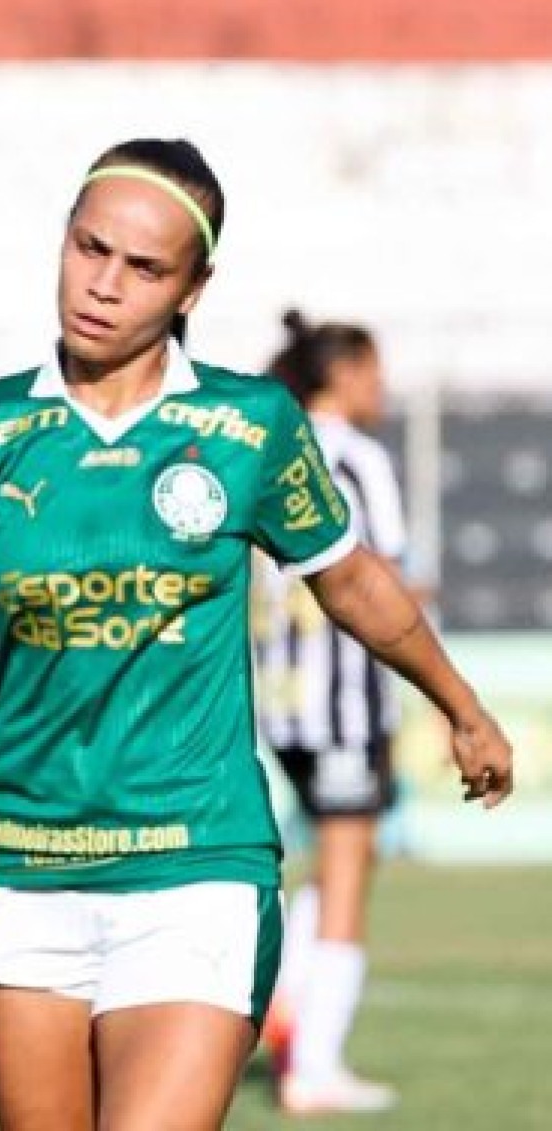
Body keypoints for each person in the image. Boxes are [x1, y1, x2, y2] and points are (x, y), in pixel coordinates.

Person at [0, 139, 514, 1131]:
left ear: (193, 287)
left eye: (144, 267)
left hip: (196, 864)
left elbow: (351, 581)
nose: (103, 284)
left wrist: (459, 705)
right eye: (90, 249)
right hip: (25, 862)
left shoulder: (249, 426)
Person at [256, 310, 410, 1114]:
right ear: (342, 374)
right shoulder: (356, 459)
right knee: (350, 866)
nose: (382, 386)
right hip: (343, 699)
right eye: (374, 370)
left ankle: (283, 990)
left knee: (324, 854)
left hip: (276, 703)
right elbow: (375, 579)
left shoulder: (268, 446)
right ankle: (313, 1064)